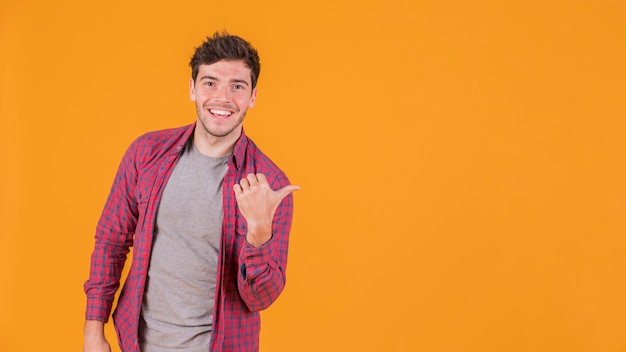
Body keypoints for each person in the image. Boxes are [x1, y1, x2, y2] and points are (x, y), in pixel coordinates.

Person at [83, 32, 298, 352]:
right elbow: (111, 241)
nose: (222, 98)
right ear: (192, 89)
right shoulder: (146, 153)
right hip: (137, 342)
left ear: (252, 96)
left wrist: (259, 234)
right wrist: (93, 331)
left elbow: (260, 298)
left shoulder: (269, 184)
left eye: (237, 86)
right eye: (210, 82)